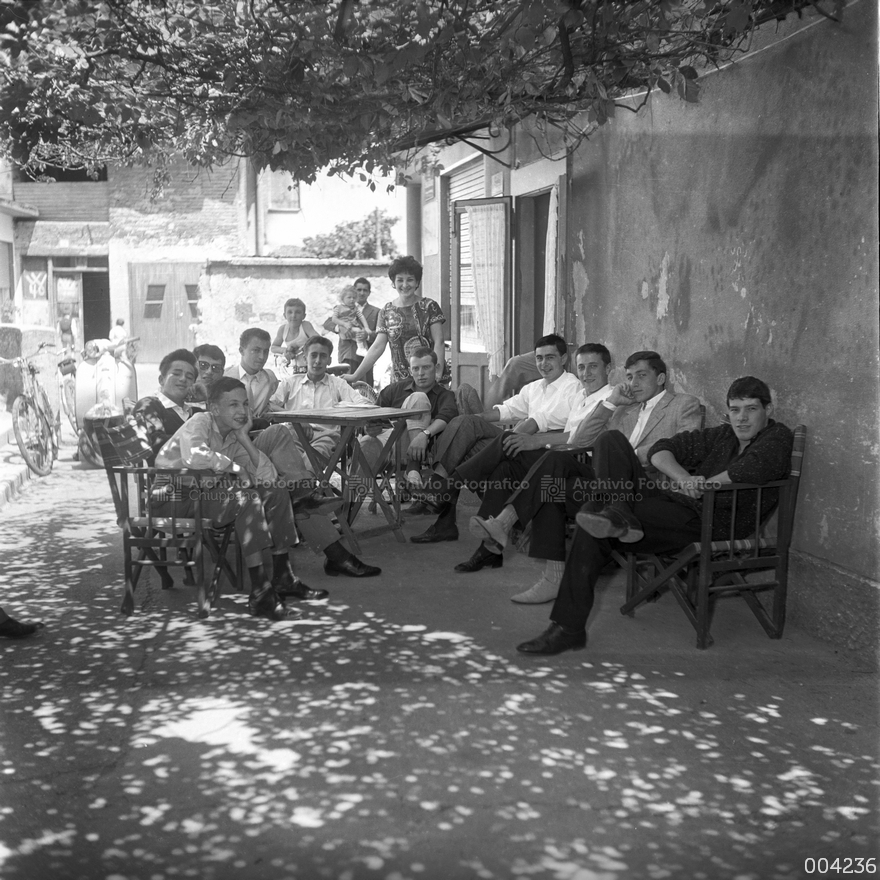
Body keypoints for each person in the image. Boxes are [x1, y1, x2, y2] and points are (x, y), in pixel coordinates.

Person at [515, 376, 793, 656]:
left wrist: (706, 484)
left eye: (751, 409)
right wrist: (685, 478)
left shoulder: (777, 437)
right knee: (606, 444)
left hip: (710, 523)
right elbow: (663, 449)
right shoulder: (723, 435)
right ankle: (616, 513)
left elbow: (750, 469)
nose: (742, 418)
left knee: (592, 515)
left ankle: (567, 628)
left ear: (767, 410)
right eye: (735, 410)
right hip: (677, 505)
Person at [466, 350, 703, 601]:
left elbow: (684, 445)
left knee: (553, 480)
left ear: (661, 378)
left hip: (645, 488)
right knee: (554, 467)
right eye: (630, 377)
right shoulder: (627, 409)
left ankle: (515, 535)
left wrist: (624, 457)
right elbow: (579, 440)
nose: (634, 383)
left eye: (641, 376)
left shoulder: (683, 404)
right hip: (606, 484)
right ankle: (538, 560)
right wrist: (611, 403)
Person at [192, 341, 380, 578]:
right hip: (208, 477)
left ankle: (303, 495)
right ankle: (336, 555)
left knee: (282, 445)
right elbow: (180, 452)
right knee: (291, 489)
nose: (209, 372)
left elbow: (254, 420)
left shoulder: (225, 392)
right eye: (203, 366)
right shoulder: (176, 407)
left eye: (216, 368)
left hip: (239, 452)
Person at [155, 378, 322, 621]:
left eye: (244, 404)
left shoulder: (233, 437)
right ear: (215, 409)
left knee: (275, 492)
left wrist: (244, 438)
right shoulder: (200, 421)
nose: (242, 411)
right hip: (173, 497)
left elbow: (268, 476)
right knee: (248, 498)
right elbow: (193, 456)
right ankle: (261, 591)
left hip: (205, 496)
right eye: (233, 405)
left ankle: (283, 576)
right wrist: (233, 467)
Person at [450, 343, 613, 583]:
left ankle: (452, 484)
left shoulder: (611, 398)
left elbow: (584, 440)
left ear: (608, 368)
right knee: (505, 468)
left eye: (593, 367)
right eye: (582, 367)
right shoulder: (582, 395)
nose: (586, 373)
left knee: (507, 440)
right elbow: (565, 431)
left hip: (582, 468)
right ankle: (489, 549)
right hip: (562, 459)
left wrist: (537, 442)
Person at [410, 334, 581, 545]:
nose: (543, 364)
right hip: (516, 445)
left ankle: (439, 495)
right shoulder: (535, 388)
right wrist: (476, 419)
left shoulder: (572, 387)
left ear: (564, 359)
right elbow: (507, 410)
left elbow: (539, 421)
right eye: (539, 358)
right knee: (463, 430)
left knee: (464, 437)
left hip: (541, 453)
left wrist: (477, 425)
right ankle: (442, 503)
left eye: (550, 358)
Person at [358, 347, 458, 488]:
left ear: (436, 368)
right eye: (416, 369)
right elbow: (374, 416)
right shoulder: (394, 390)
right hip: (385, 443)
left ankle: (413, 466)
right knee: (367, 441)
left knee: (419, 398)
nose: (421, 373)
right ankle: (349, 501)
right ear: (410, 370)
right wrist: (369, 428)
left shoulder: (445, 395)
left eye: (426, 367)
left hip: (417, 448)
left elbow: (448, 417)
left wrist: (424, 434)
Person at [344, 256, 447, 387]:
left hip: (430, 380)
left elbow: (439, 341)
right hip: (401, 383)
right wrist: (355, 376)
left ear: (417, 282)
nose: (405, 285)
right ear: (393, 282)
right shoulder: (386, 311)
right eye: (400, 280)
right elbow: (377, 347)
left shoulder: (429, 306)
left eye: (410, 279)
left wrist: (436, 374)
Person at [131, 349, 198, 462]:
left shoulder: (196, 412)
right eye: (176, 374)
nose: (183, 379)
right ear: (161, 380)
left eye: (189, 377)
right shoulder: (149, 405)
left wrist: (206, 398)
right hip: (165, 476)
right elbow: (156, 442)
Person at [325, 277, 380, 384]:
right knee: (346, 386)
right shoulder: (342, 307)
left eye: (365, 290)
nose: (362, 293)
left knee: (365, 387)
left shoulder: (376, 312)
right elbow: (328, 323)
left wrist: (367, 335)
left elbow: (380, 334)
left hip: (366, 356)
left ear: (369, 293)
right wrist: (340, 328)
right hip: (347, 353)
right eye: (359, 290)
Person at [225, 328, 280, 428]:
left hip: (260, 432)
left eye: (266, 351)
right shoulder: (227, 378)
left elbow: (269, 404)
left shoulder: (270, 379)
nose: (262, 357)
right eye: (256, 350)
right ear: (241, 350)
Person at [270, 298, 319, 371]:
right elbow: (273, 347)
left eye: (298, 312)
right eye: (290, 312)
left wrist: (300, 348)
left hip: (313, 367)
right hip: (296, 368)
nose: (293, 315)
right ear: (284, 315)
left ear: (304, 316)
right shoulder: (283, 329)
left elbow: (318, 340)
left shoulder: (305, 326)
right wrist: (285, 350)